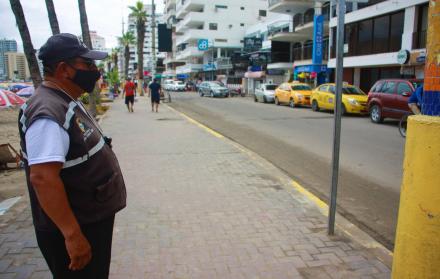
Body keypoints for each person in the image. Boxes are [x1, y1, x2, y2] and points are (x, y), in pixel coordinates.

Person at [18, 33, 126, 279]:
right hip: (78, 227)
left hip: (89, 220)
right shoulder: (48, 112)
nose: (95, 70)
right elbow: (43, 178)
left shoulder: (64, 100)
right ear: (64, 69)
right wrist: (72, 235)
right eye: (87, 64)